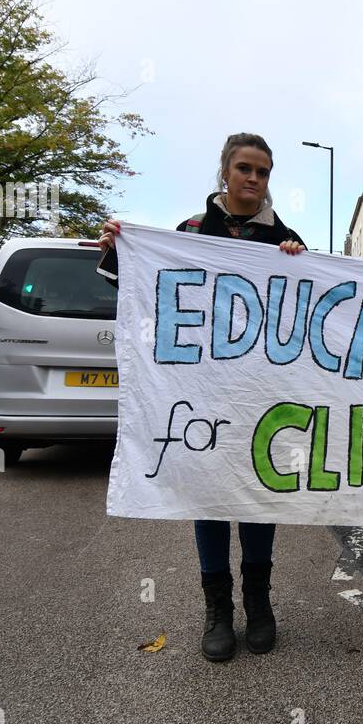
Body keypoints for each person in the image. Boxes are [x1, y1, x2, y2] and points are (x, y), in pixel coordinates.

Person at [99, 132, 306, 663]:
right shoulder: (189, 234)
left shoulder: (285, 239)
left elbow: (307, 308)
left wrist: (298, 262)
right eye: (244, 168)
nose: (253, 179)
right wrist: (119, 248)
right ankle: (218, 610)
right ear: (225, 171)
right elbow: (145, 285)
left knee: (260, 494)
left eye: (263, 171)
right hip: (203, 397)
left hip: (262, 396)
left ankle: (258, 602)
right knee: (209, 496)